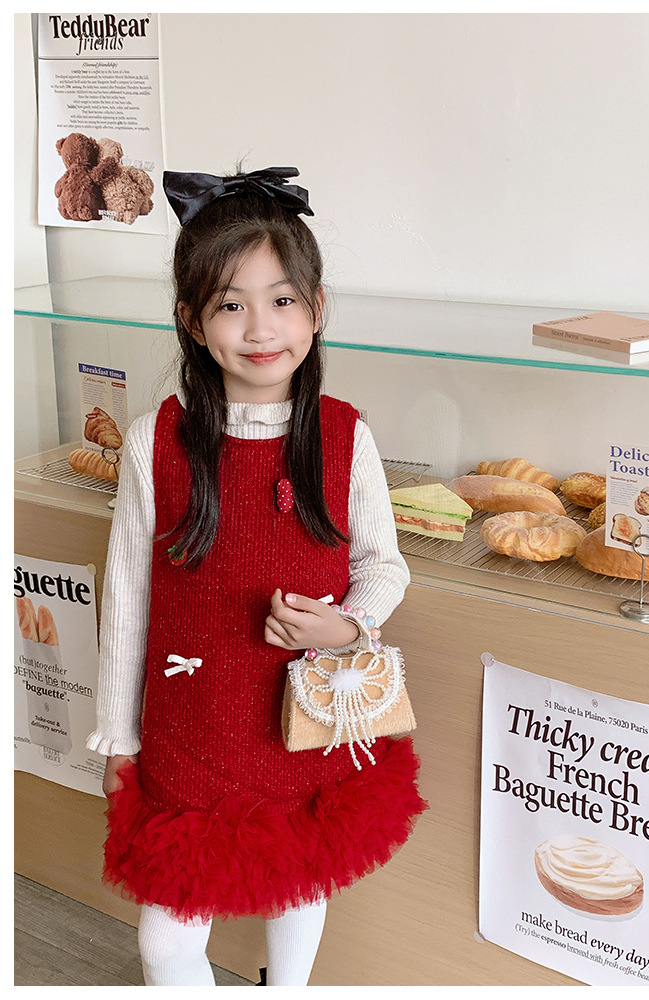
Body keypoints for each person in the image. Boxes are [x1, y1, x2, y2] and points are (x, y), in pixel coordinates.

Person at [85, 167, 427, 987]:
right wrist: (118, 737)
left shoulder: (344, 435)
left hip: (304, 723)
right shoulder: (154, 440)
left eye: (282, 300)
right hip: (191, 732)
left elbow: (383, 565)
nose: (261, 328)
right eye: (231, 304)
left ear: (316, 308)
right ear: (191, 320)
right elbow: (127, 601)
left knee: (299, 885)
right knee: (167, 939)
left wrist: (346, 625)